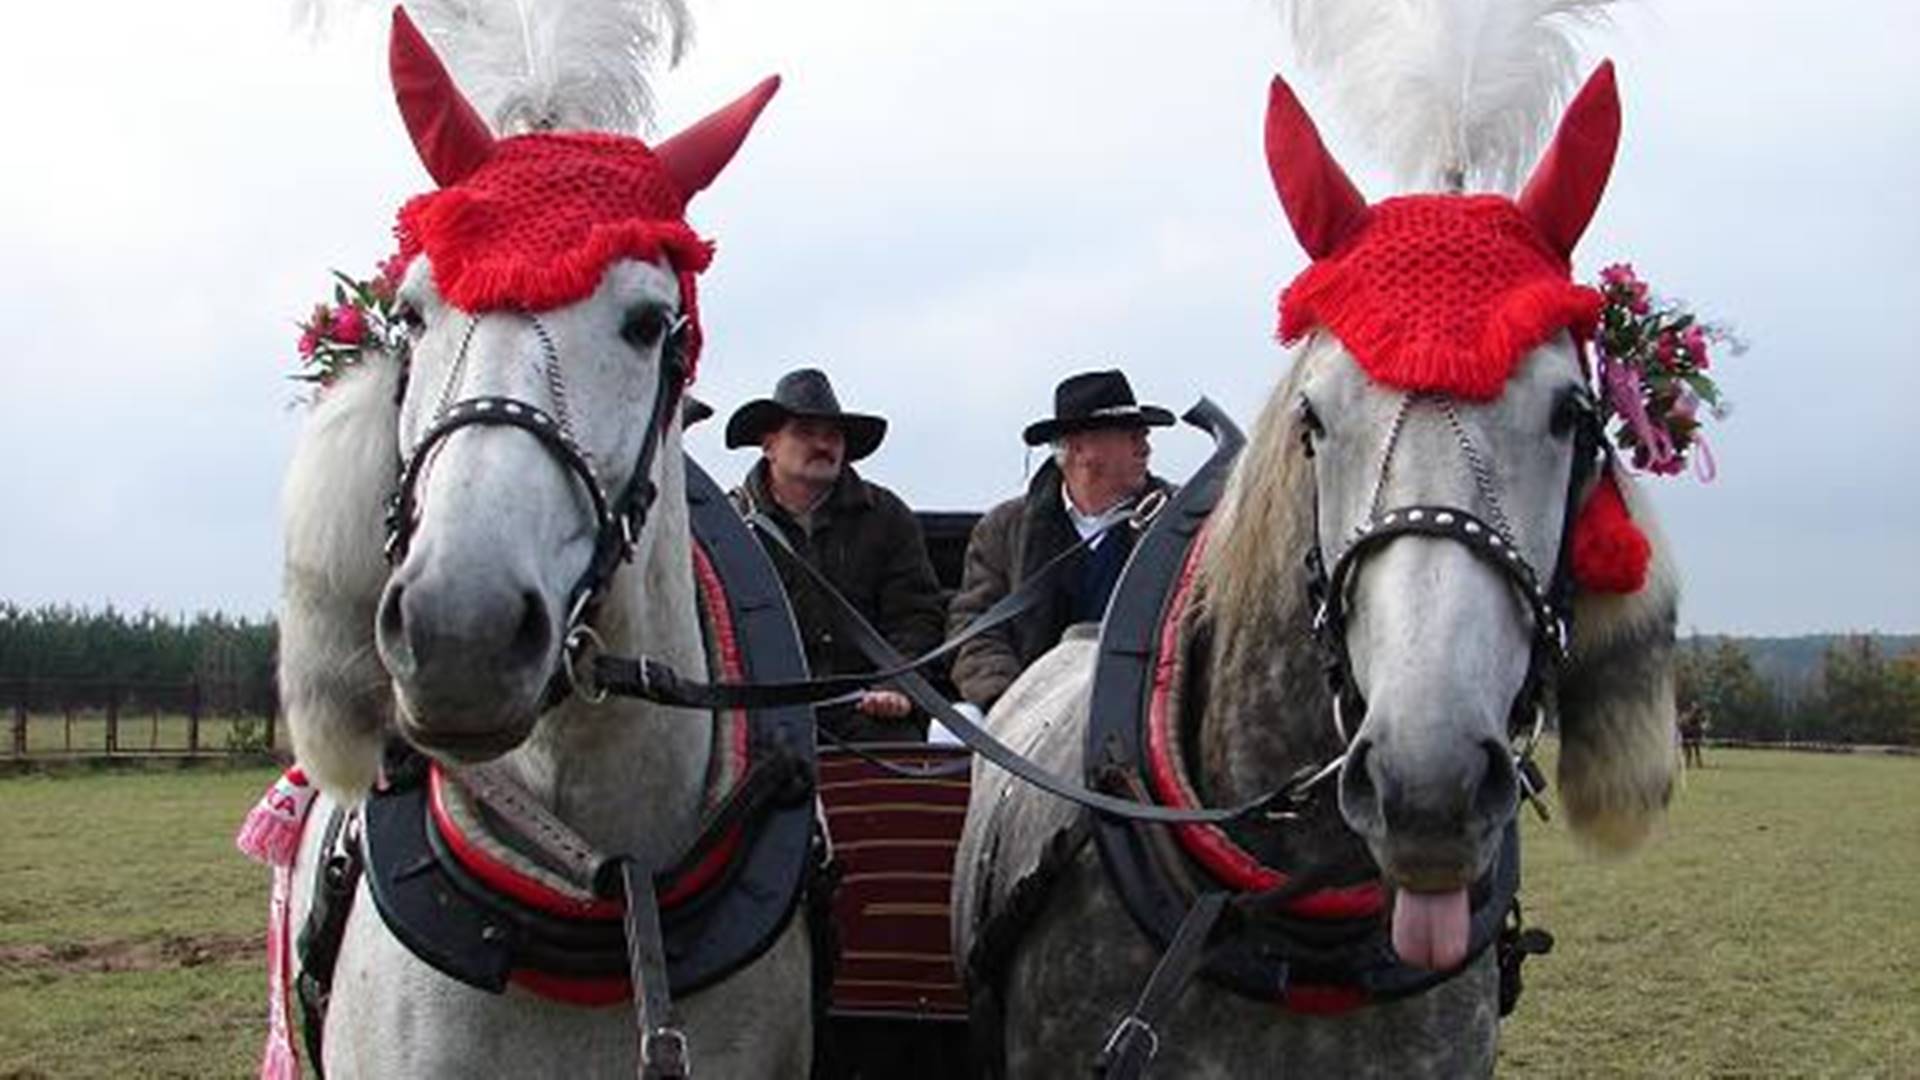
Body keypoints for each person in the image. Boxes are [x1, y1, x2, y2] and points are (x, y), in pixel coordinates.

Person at [726, 368, 946, 742]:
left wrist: (897, 687)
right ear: (769, 444)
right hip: (764, 714)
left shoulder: (887, 517)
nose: (822, 445)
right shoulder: (729, 525)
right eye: (805, 432)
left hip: (868, 710)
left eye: (832, 435)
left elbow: (915, 616)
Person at [948, 369, 1176, 712]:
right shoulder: (1002, 529)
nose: (1145, 447)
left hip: (1146, 710)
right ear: (1080, 446)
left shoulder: (1179, 522)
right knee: (954, 727)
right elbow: (975, 632)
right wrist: (1012, 704)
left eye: (1143, 435)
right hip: (1028, 718)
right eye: (1131, 435)